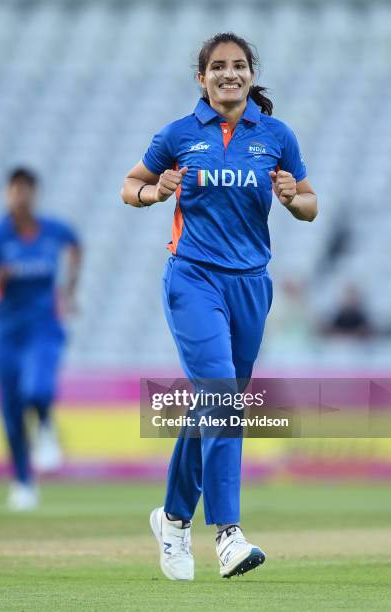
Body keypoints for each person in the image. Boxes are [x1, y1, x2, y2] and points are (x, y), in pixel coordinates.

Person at [121, 32, 317, 580]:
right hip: (193, 279)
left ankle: (174, 518)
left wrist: (291, 198)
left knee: (212, 403)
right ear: (201, 78)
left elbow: (309, 203)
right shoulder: (179, 134)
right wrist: (155, 192)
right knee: (224, 397)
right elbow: (129, 186)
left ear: (251, 74)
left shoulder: (276, 134)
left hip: (251, 285)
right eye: (218, 68)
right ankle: (228, 534)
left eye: (238, 66)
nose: (229, 75)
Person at [0, 167, 82, 511]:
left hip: (45, 326)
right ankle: (23, 481)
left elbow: (75, 245)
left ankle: (46, 427)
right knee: (13, 410)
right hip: (8, 331)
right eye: (14, 191)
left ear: (34, 193)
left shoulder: (51, 231)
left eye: (26, 190)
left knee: (38, 389)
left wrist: (70, 290)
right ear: (7, 194)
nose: (20, 197)